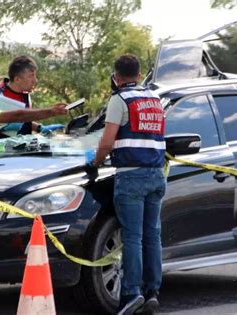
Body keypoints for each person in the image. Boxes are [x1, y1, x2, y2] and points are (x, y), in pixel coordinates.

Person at [89, 54, 166, 315]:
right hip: (156, 175)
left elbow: (108, 140)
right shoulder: (154, 99)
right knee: (152, 236)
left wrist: (96, 162)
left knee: (132, 237)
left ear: (117, 77)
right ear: (139, 72)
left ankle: (132, 293)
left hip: (131, 176)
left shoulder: (119, 100)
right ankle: (152, 291)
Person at [0, 55, 65, 135]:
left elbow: (23, 121)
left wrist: (39, 128)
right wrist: (4, 127)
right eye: (31, 76)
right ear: (17, 79)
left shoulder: (26, 95)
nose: (35, 80)